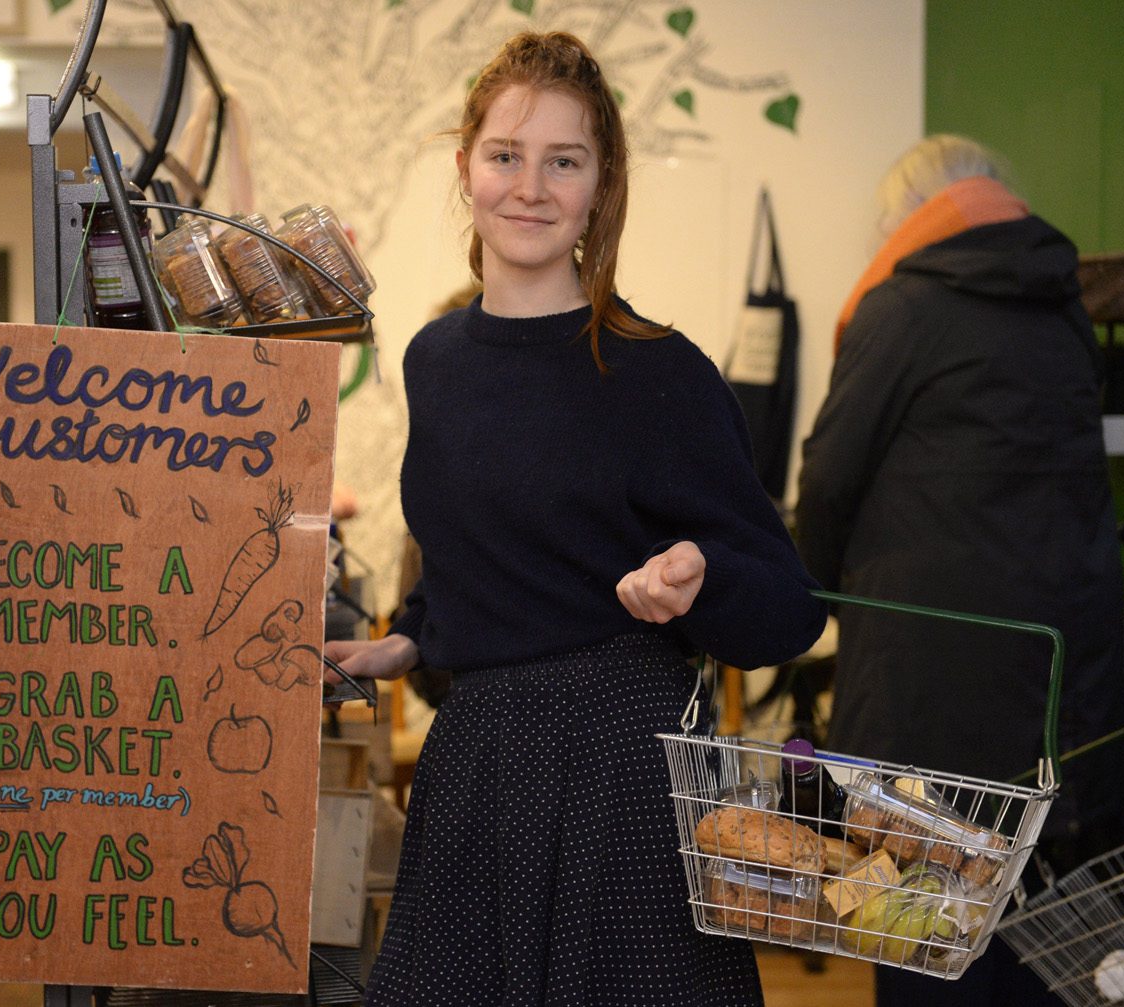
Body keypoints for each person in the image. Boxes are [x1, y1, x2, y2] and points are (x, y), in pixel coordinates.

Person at [326, 31, 827, 1005]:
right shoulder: (435, 361)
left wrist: (700, 572)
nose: (529, 186)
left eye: (564, 161)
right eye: (505, 156)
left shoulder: (657, 372)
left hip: (625, 770)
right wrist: (409, 637)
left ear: (600, 187)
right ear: (465, 166)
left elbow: (786, 606)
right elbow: (476, 554)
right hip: (477, 760)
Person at [796, 134, 1124, 1007]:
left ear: (904, 222)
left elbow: (828, 475)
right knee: (1050, 931)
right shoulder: (1065, 309)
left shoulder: (900, 307)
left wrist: (809, 590)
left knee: (918, 927)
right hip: (1060, 683)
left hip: (925, 691)